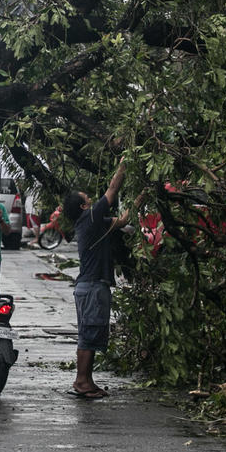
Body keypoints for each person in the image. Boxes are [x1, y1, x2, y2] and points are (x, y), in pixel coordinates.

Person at [62, 157, 130, 400]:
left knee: (91, 333)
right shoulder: (89, 218)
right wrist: (123, 163)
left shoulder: (92, 223)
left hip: (91, 286)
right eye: (87, 199)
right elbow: (112, 190)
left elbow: (122, 221)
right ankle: (81, 381)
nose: (91, 199)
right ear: (83, 207)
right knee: (89, 335)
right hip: (91, 287)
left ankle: (87, 381)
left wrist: (141, 197)